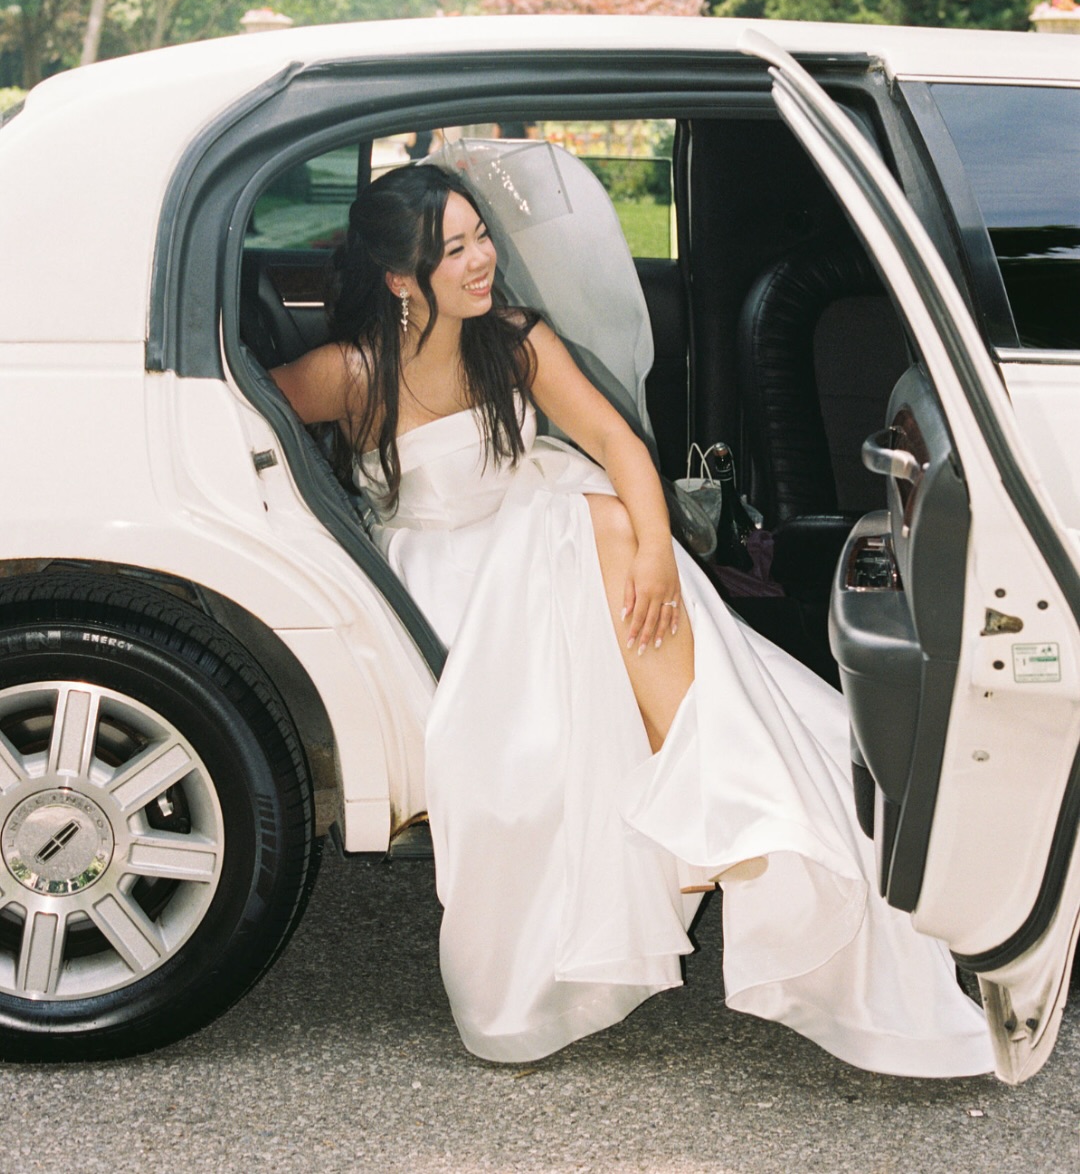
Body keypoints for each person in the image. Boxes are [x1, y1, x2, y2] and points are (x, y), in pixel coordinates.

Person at [271, 163, 993, 1077]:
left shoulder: (515, 342)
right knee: (603, 529)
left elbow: (613, 442)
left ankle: (704, 784)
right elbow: (238, 429)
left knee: (612, 521)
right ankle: (711, 791)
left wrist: (659, 549)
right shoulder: (349, 373)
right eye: (453, 250)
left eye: (480, 233)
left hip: (553, 523)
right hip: (448, 566)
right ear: (399, 279)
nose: (482, 259)